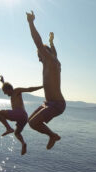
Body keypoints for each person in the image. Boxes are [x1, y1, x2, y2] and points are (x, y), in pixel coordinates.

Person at [26, 11, 66, 150]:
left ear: (45, 53)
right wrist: (51, 42)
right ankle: (52, 135)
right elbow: (54, 52)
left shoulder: (50, 60)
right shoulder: (53, 59)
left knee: (33, 123)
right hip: (48, 103)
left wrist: (31, 23)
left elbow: (37, 41)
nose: (39, 58)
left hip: (56, 104)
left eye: (40, 55)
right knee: (30, 121)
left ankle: (52, 135)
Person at [0, 75, 43, 155]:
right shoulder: (12, 92)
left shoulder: (16, 91)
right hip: (24, 117)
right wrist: (3, 82)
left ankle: (9, 128)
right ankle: (23, 143)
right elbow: (6, 87)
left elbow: (29, 89)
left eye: (6, 92)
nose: (6, 94)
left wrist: (42, 86)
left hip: (19, 113)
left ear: (9, 89)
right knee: (17, 133)